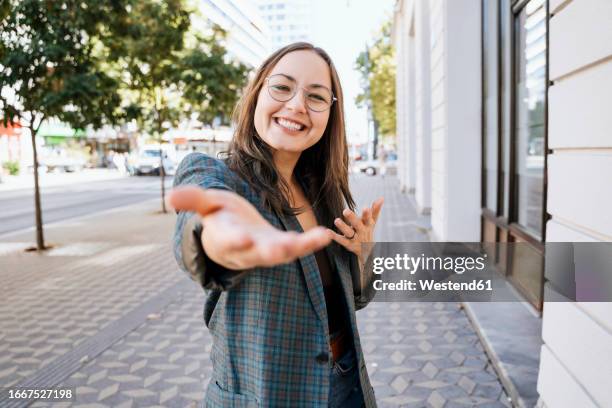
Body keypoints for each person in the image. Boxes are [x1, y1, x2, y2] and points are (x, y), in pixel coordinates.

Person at [169, 42, 383, 407]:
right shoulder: (216, 176)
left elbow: (355, 301)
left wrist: (363, 256)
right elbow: (205, 233)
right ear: (257, 93)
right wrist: (227, 238)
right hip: (266, 396)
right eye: (282, 87)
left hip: (346, 385)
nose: (297, 105)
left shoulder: (324, 194)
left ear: (331, 114)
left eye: (316, 97)